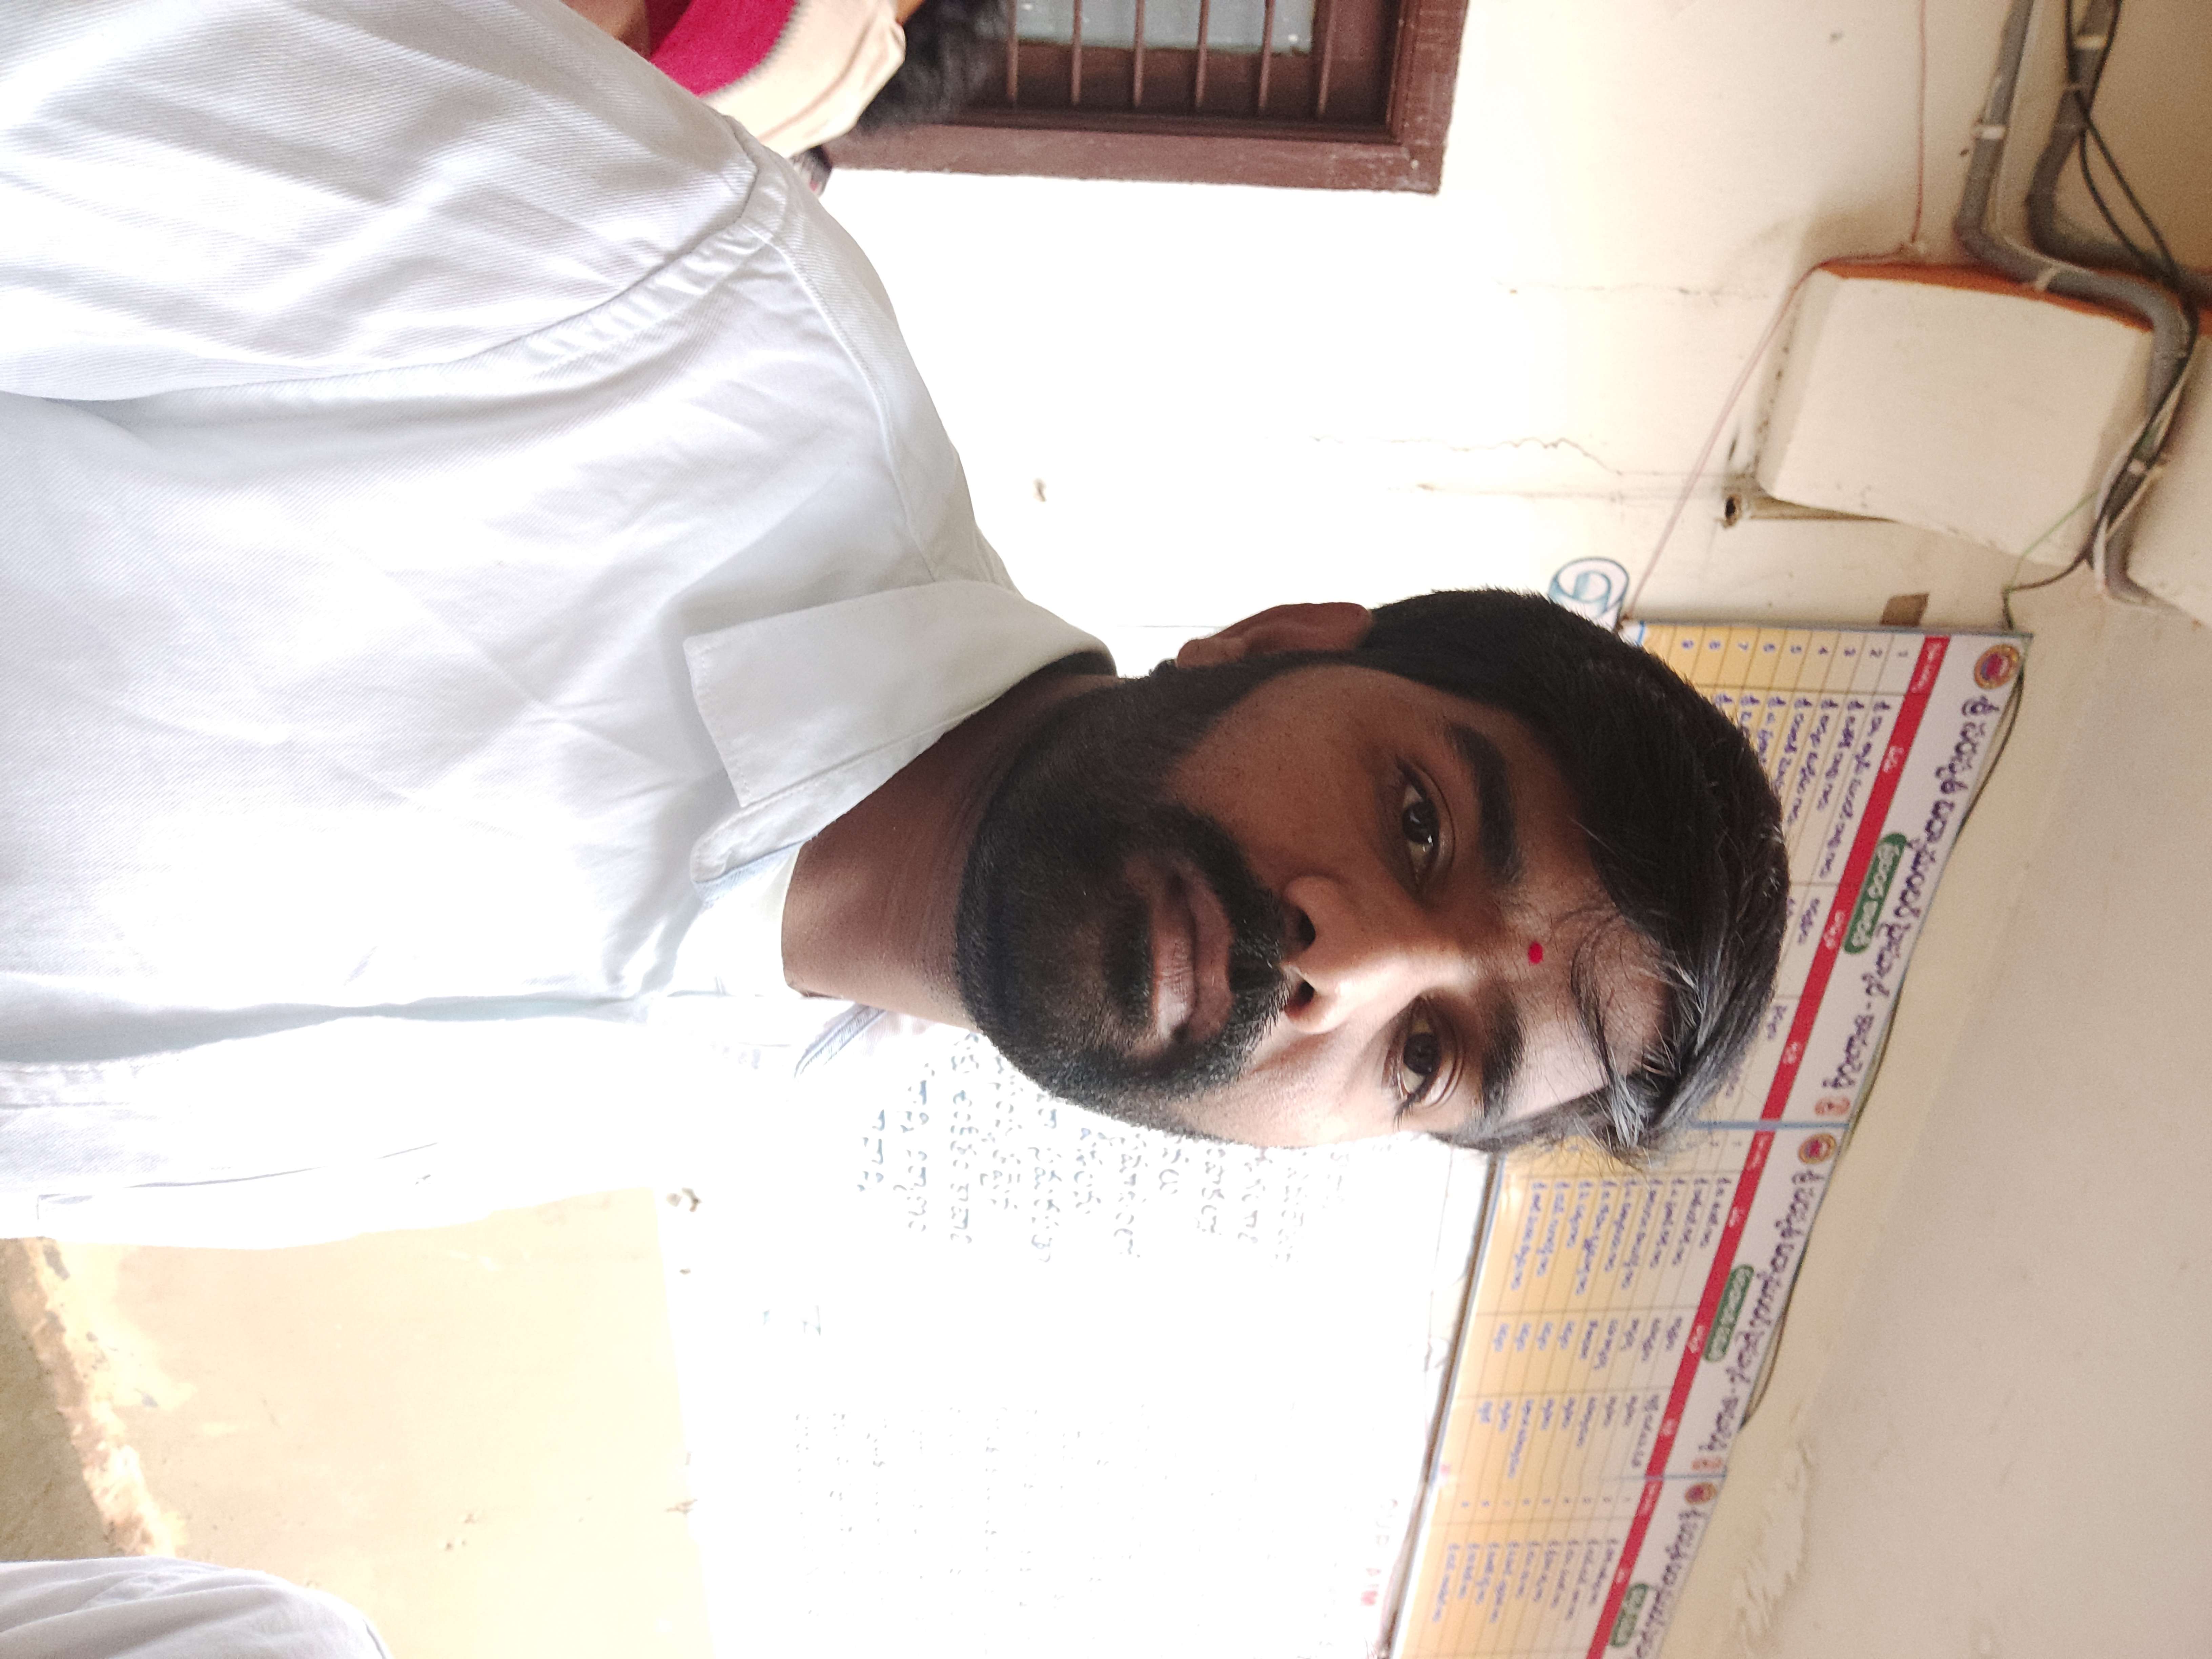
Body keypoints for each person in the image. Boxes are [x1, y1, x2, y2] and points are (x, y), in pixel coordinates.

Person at [0, 0, 1788, 1248]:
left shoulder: (738, 1103)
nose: (1357, 965)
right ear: (1279, 640)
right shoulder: (669, 313)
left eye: (1428, 1057)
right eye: (1420, 820)